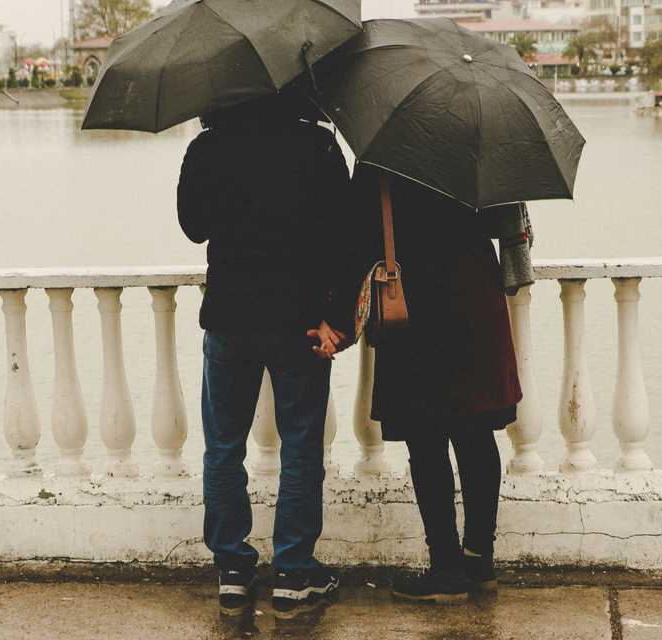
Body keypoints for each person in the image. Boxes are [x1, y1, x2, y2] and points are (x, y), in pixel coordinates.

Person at [177, 91, 355, 618]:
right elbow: (345, 239)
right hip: (299, 319)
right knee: (301, 445)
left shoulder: (209, 147)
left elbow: (192, 227)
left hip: (231, 317)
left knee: (224, 447)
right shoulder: (318, 146)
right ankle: (293, 574)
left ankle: (233, 570)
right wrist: (337, 317)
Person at [348, 166, 522, 603]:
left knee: (426, 440)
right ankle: (479, 560)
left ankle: (446, 566)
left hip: (411, 297)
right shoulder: (477, 138)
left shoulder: (381, 154)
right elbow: (506, 223)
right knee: (476, 432)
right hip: (473, 294)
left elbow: (358, 232)